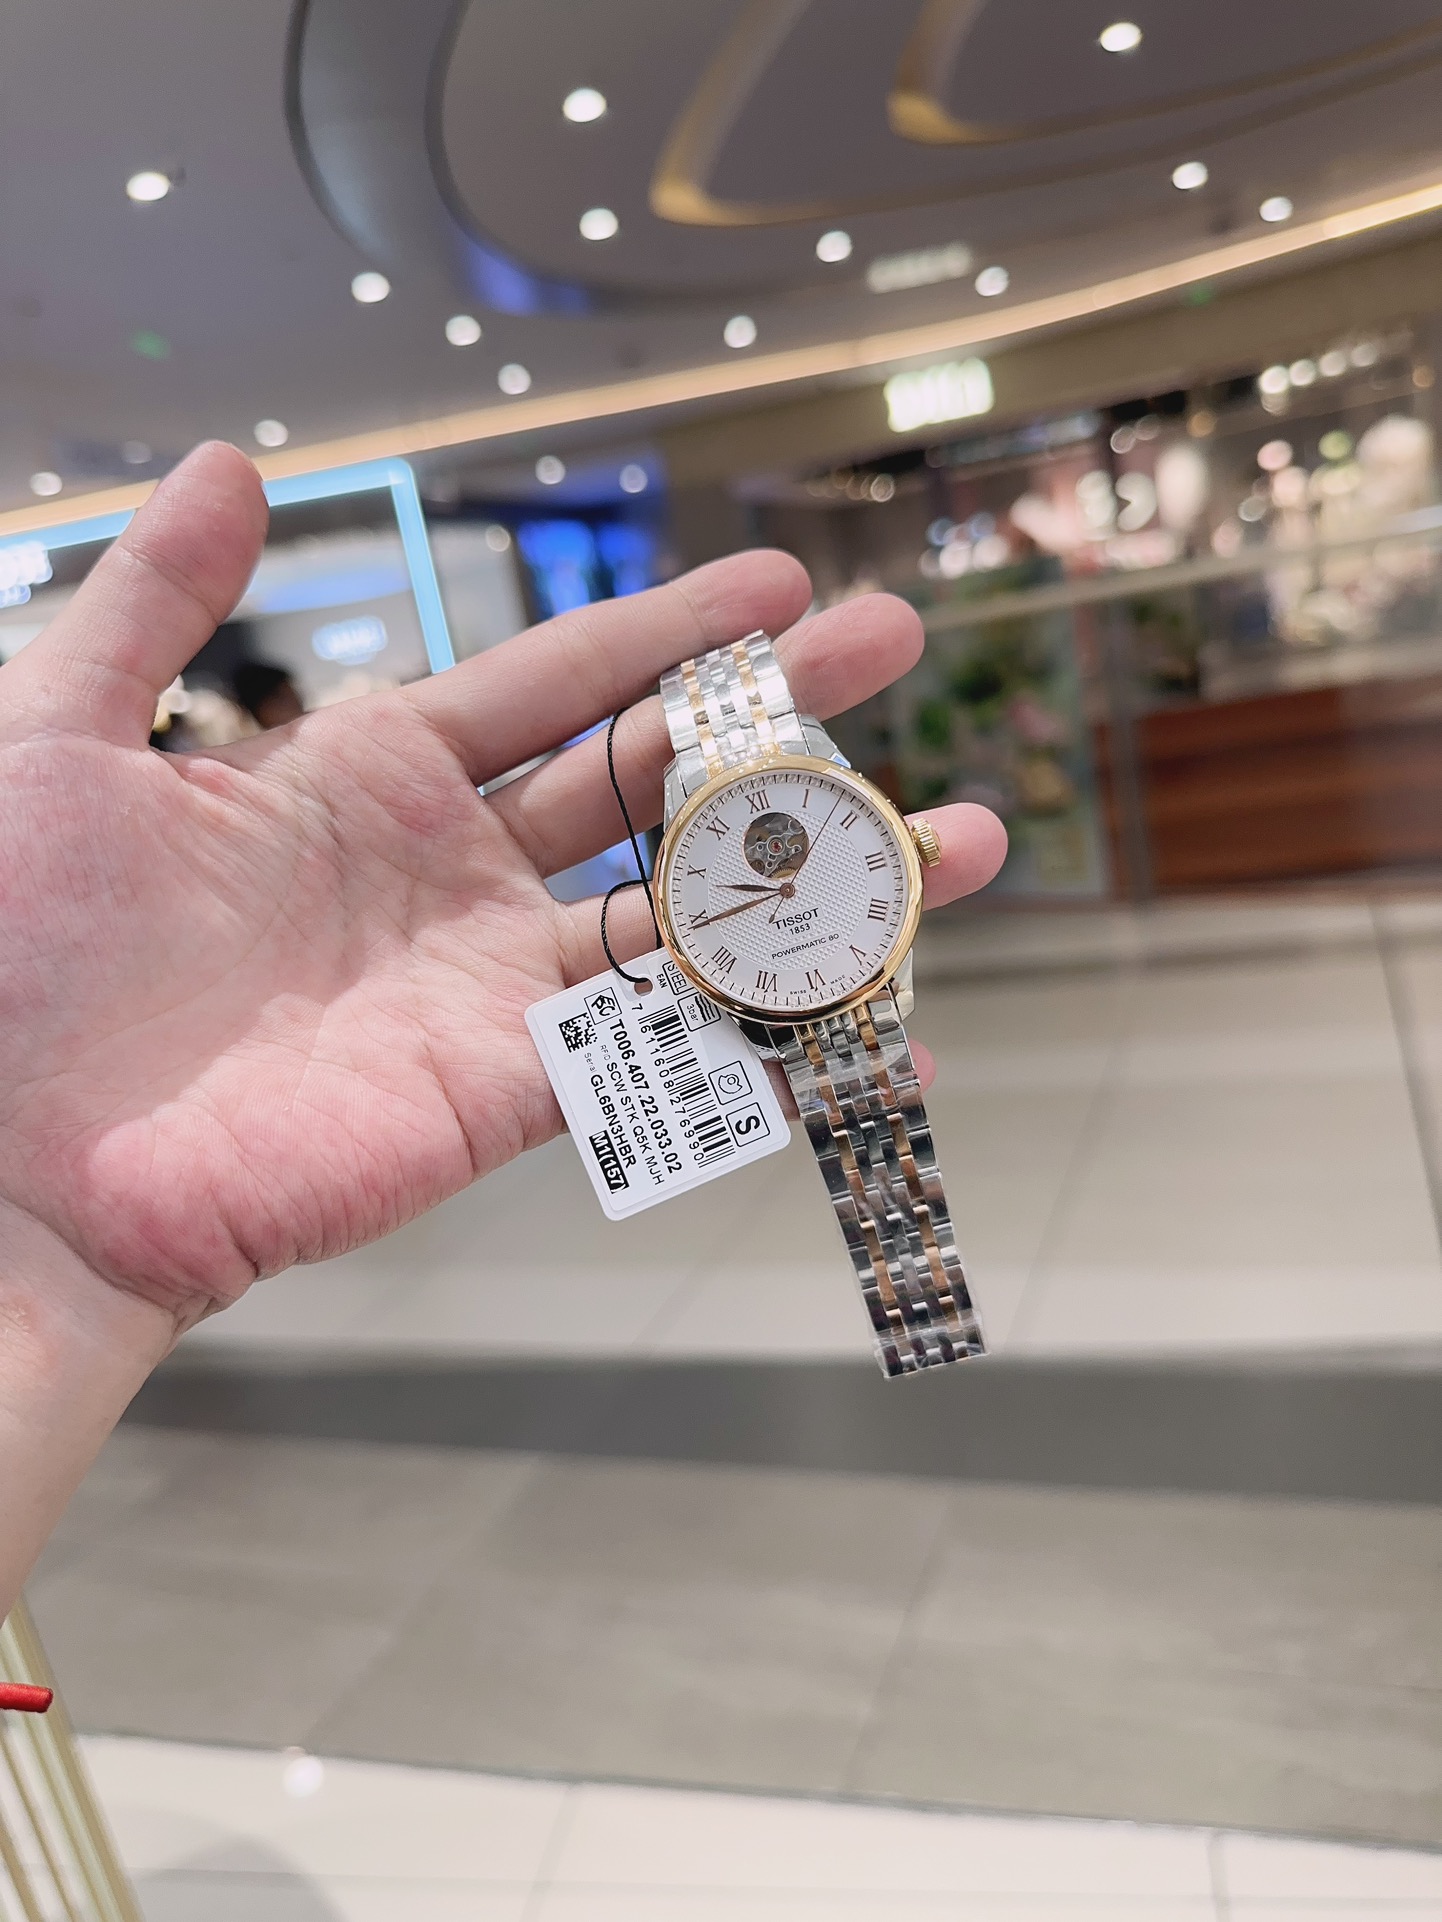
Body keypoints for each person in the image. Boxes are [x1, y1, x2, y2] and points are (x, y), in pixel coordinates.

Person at [0, 443, 1006, 1616]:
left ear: (897, 845)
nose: (783, 887)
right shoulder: (730, 868)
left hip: (830, 973)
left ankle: (926, 1318)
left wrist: (51, 1253)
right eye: (754, 883)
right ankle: (928, 1319)